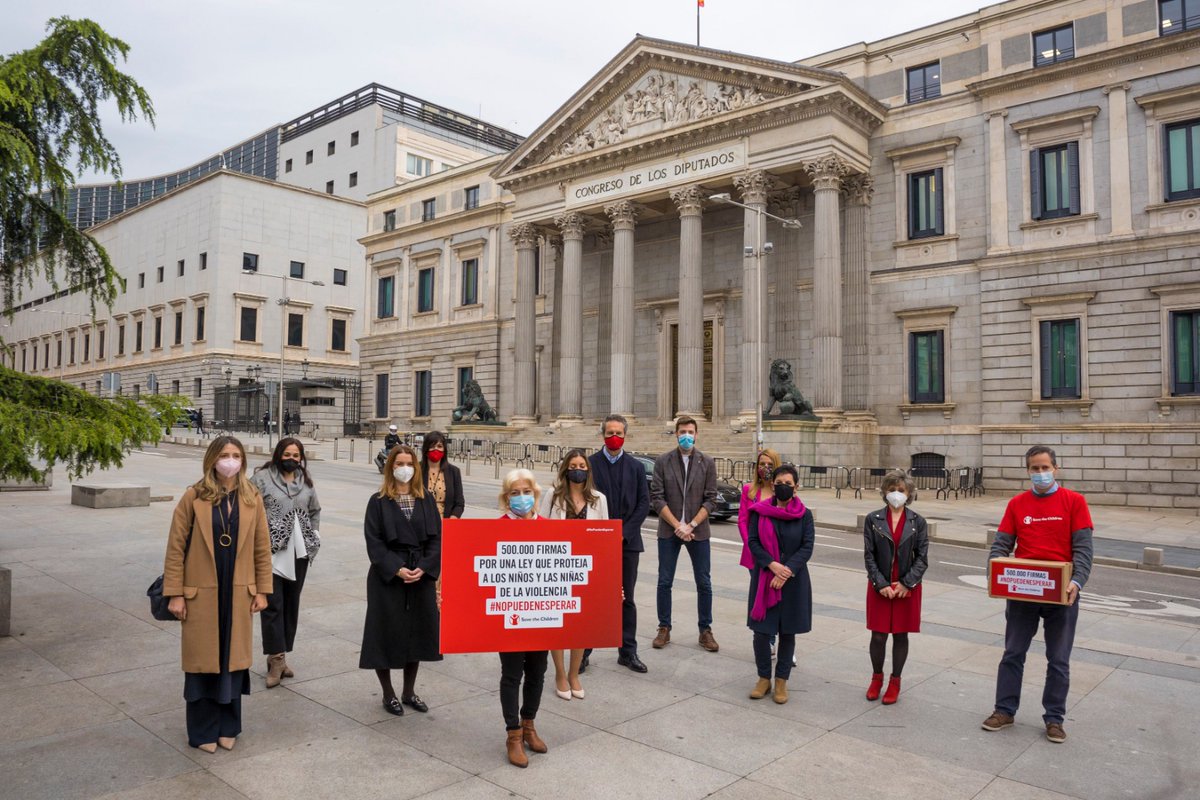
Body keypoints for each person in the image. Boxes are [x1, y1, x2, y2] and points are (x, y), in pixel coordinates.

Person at [161, 436, 271, 753]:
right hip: (201, 593)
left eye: (236, 455)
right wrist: (175, 594)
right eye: (225, 454)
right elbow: (175, 548)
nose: (231, 460)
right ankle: (203, 730)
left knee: (232, 662)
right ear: (212, 459)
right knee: (202, 664)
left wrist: (263, 590)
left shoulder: (252, 497)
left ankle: (228, 726)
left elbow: (262, 549)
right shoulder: (193, 496)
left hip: (238, 591)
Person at [983, 445, 1093, 744]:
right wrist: (995, 572)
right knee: (1013, 653)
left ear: (1055, 469)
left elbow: (1083, 550)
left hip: (1062, 595)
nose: (1040, 473)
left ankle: (1054, 718)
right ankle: (1004, 710)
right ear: (1028, 471)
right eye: (1035, 468)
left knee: (1058, 659)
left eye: (1045, 468)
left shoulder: (1075, 502)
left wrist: (1077, 582)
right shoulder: (1017, 504)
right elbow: (1000, 546)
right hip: (1023, 593)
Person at [359, 445, 442, 717]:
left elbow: (436, 539)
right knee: (383, 633)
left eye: (409, 463)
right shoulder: (378, 501)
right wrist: (396, 569)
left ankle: (409, 691)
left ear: (415, 468)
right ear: (390, 467)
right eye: (399, 463)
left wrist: (425, 567)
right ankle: (388, 692)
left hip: (420, 576)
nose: (404, 468)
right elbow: (374, 542)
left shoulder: (426, 499)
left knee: (416, 634)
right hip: (388, 578)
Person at [251, 437, 321, 688]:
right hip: (269, 552)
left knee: (291, 604)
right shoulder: (261, 479)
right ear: (278, 454)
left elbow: (315, 511)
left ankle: (282, 653)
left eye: (296, 455)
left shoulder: (307, 483)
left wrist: (314, 535)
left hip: (299, 553)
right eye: (287, 454)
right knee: (272, 604)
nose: (291, 459)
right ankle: (275, 658)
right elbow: (249, 509)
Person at [541, 449, 610, 701]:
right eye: (573, 465)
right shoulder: (553, 495)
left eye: (582, 465)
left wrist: (606, 574)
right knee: (558, 623)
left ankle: (574, 674)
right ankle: (559, 673)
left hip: (586, 569)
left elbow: (605, 537)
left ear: (588, 470)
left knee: (580, 624)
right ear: (565, 469)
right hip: (556, 568)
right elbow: (541, 529)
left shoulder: (599, 499)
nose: (577, 469)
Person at [744, 464, 813, 704]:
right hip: (765, 577)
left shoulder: (804, 514)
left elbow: (807, 546)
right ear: (772, 485)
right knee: (762, 632)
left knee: (787, 631)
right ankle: (764, 678)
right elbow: (753, 542)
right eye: (780, 483)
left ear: (796, 487)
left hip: (793, 581)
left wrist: (786, 571)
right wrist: (772, 565)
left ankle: (782, 681)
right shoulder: (760, 511)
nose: (784, 487)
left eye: (789, 484)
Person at [587, 413, 650, 673]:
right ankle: (584, 651)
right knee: (592, 598)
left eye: (619, 433)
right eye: (610, 432)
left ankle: (627, 651)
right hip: (595, 542)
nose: (615, 437)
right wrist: (601, 534)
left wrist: (624, 532)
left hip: (627, 542)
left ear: (625, 435)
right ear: (602, 434)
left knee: (627, 599)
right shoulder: (590, 464)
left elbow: (643, 503)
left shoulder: (636, 467)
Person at [650, 416, 719, 652]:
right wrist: (677, 525)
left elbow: (711, 499)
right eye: (682, 431)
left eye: (690, 431)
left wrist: (691, 525)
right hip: (669, 530)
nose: (686, 435)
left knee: (704, 582)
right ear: (676, 433)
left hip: (697, 531)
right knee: (664, 581)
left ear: (696, 434)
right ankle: (664, 627)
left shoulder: (707, 462)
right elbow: (657, 498)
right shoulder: (663, 461)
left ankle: (705, 630)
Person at [862, 470, 929, 705]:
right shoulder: (873, 519)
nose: (896, 494)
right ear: (884, 492)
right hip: (879, 586)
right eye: (891, 489)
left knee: (901, 636)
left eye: (901, 490)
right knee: (878, 636)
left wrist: (906, 583)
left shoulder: (917, 522)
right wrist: (880, 584)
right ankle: (876, 678)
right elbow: (869, 556)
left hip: (906, 588)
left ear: (909, 493)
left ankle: (895, 681)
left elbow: (922, 558)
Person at [497, 468, 549, 768]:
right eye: (515, 493)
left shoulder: (547, 526)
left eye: (526, 492)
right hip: (510, 617)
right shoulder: (497, 528)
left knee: (538, 672)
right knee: (512, 674)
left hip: (540, 615)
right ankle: (513, 734)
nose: (521, 498)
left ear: (535, 494)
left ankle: (529, 725)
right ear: (506, 498)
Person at [738, 449, 787, 662]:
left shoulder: (782, 492)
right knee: (760, 595)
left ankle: (776, 639)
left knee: (776, 597)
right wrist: (752, 545)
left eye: (769, 464)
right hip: (756, 556)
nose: (764, 468)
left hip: (778, 557)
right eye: (761, 464)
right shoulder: (749, 490)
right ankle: (765, 639)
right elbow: (742, 520)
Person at [422, 431, 464, 520]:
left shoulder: (454, 471)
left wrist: (454, 517)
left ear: (444, 450)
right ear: (426, 449)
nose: (436, 449)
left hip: (446, 522)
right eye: (432, 446)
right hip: (423, 522)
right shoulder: (417, 470)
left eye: (439, 446)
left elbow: (459, 503)